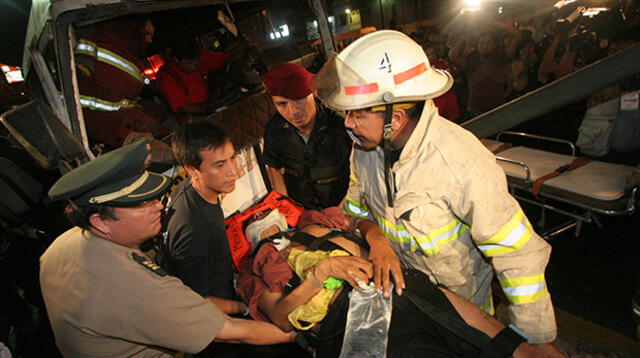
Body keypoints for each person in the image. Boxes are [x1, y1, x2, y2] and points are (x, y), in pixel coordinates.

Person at [312, 30, 559, 353]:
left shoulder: (460, 163)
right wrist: (375, 238)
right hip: (408, 295)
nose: (348, 124)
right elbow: (355, 212)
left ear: (395, 118)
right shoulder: (364, 150)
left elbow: (517, 254)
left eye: (357, 113)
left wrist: (531, 342)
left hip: (463, 307)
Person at [40, 140, 294, 357]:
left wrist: (244, 306)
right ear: (100, 221)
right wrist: (295, 331)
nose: (159, 207)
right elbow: (230, 333)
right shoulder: (140, 287)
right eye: (140, 205)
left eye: (153, 198)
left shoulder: (63, 244)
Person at [237, 224, 561, 358]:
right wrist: (321, 273)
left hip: (400, 286)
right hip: (351, 324)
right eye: (263, 234)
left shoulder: (316, 226)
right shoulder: (260, 271)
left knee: (506, 344)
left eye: (274, 227)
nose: (271, 231)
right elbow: (281, 318)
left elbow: (360, 221)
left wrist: (377, 240)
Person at [165, 120, 244, 314]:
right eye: (219, 165)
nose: (232, 171)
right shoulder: (194, 231)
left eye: (232, 158)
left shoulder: (189, 188)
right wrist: (246, 308)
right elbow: (196, 301)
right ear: (192, 169)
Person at [261, 62, 352, 211]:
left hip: (342, 208)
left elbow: (360, 174)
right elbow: (274, 168)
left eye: (298, 99)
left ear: (313, 93)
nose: (293, 111)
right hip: (302, 211)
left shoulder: (340, 125)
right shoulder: (274, 130)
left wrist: (340, 211)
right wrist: (287, 209)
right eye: (282, 104)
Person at [75, 17, 173, 148]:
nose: (150, 40)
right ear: (133, 30)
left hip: (116, 123)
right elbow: (106, 101)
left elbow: (122, 98)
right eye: (147, 34)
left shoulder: (129, 54)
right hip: (101, 127)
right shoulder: (105, 39)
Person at [157, 40, 230, 115]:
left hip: (212, 101)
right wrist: (213, 109)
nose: (193, 67)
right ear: (176, 59)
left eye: (196, 63)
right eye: (188, 63)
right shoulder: (167, 76)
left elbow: (225, 60)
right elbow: (185, 107)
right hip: (193, 115)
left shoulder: (200, 56)